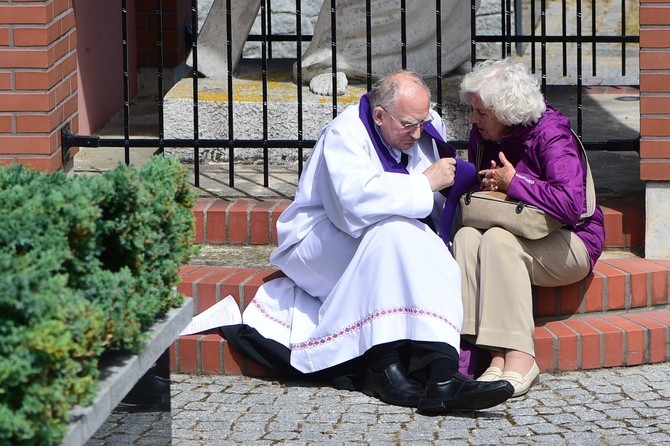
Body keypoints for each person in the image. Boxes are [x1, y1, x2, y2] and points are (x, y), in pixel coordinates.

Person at [222, 70, 514, 414]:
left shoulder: (418, 122)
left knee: (430, 247)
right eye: (409, 125)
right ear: (379, 115)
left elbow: (422, 201)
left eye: (422, 121)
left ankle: (442, 374)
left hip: (382, 235)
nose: (419, 132)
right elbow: (352, 208)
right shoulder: (344, 134)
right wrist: (424, 184)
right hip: (316, 242)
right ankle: (382, 367)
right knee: (393, 235)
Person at [453, 58, 606, 398]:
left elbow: (571, 205)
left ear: (506, 112)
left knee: (498, 242)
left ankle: (520, 358)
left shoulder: (552, 136)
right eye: (474, 111)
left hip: (571, 242)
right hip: (515, 230)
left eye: (481, 112)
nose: (473, 119)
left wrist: (513, 183)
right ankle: (478, 355)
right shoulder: (484, 134)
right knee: (465, 237)